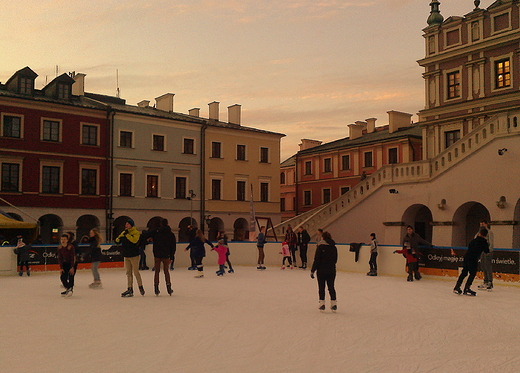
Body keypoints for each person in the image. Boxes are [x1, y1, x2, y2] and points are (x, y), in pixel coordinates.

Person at [143, 219, 176, 296]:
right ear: (167, 224)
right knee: (166, 271)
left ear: (161, 224)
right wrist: (171, 256)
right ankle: (168, 287)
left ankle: (156, 288)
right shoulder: (171, 234)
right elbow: (173, 246)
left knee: (157, 271)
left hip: (157, 254)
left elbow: (146, 235)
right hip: (166, 255)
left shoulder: (156, 232)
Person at [454, 228, 490, 296]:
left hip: (467, 256)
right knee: (472, 273)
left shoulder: (474, 240)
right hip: (473, 259)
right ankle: (467, 288)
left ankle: (457, 287)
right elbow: (486, 251)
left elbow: (470, 246)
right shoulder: (484, 242)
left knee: (464, 272)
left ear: (480, 233)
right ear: (486, 235)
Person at [115, 219, 145, 297]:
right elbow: (117, 239)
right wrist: (120, 238)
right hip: (126, 255)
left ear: (131, 225)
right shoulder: (124, 232)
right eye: (126, 224)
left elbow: (134, 241)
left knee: (136, 272)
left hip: (134, 255)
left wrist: (127, 235)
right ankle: (130, 288)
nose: (126, 225)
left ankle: (140, 286)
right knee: (128, 272)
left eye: (128, 224)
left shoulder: (135, 232)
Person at [310, 231, 338, 312]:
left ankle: (322, 303)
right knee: (331, 287)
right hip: (331, 270)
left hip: (321, 270)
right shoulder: (334, 247)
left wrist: (313, 270)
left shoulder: (320, 247)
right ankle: (334, 303)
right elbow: (335, 259)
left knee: (321, 287)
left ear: (323, 238)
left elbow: (317, 260)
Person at [476, 220, 494, 290]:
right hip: (482, 251)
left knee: (488, 266)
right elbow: (475, 238)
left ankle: (490, 282)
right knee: (483, 266)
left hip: (487, 251)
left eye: (482, 224)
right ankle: (485, 281)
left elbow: (491, 242)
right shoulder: (480, 233)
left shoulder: (490, 232)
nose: (481, 225)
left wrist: (489, 251)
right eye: (480, 224)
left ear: (486, 224)